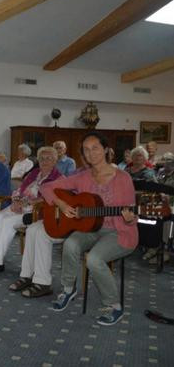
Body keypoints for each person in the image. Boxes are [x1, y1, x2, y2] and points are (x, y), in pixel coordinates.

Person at [41, 132, 137, 326]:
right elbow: (46, 187)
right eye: (86, 149)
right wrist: (60, 204)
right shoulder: (82, 176)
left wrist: (128, 219)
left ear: (106, 150)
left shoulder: (123, 178)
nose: (91, 153)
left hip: (119, 232)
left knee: (93, 259)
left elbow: (131, 218)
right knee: (70, 244)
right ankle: (69, 289)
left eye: (95, 148)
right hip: (91, 227)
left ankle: (114, 306)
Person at [0, 146, 62, 275]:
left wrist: (29, 202)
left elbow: (54, 199)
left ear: (55, 161)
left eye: (49, 159)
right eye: (42, 158)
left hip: (35, 211)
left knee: (7, 222)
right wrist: (16, 200)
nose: (44, 161)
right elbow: (20, 189)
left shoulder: (59, 178)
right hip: (19, 205)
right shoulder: (34, 173)